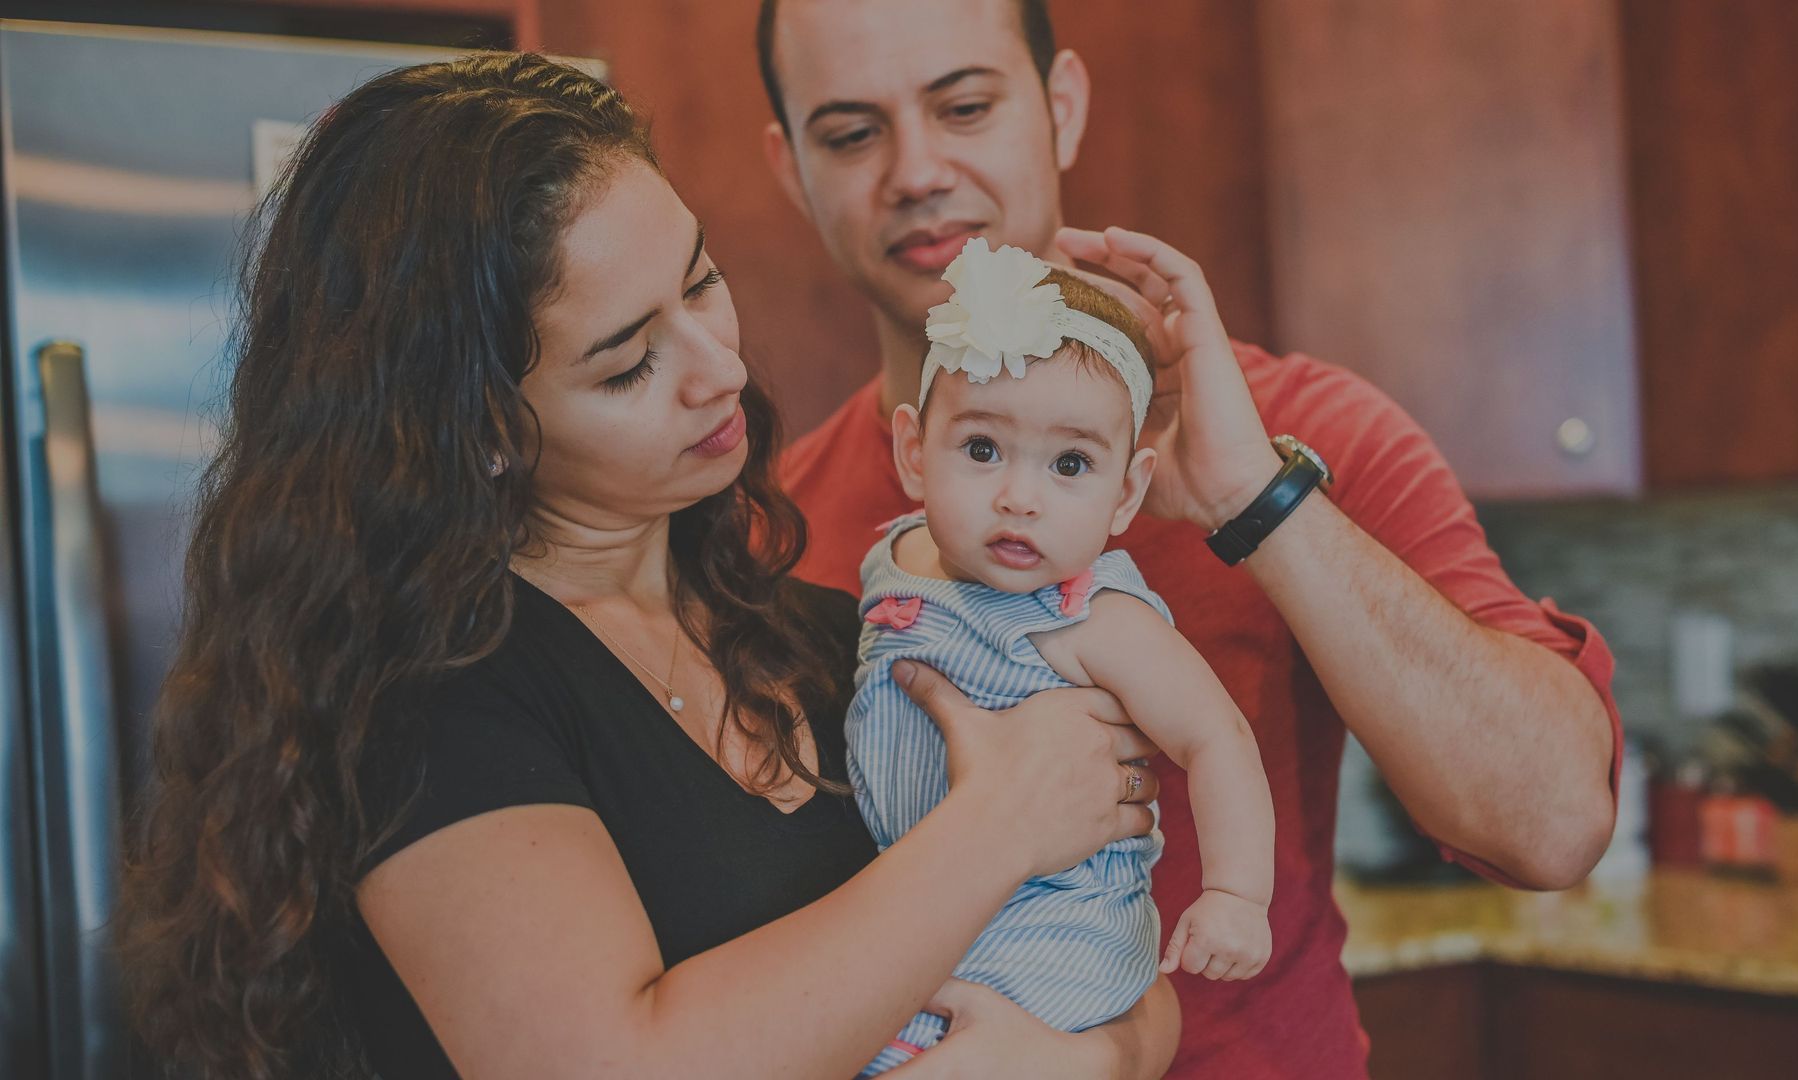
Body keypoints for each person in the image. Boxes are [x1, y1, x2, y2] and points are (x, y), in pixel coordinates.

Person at [117, 53, 1181, 1080]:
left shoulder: (839, 633)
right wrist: (995, 824)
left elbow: (1114, 940)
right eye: (629, 363)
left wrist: (1089, 1057)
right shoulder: (424, 707)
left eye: (702, 281)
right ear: (482, 429)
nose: (719, 367)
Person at [756, 1, 1624, 1074]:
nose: (917, 169)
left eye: (966, 105)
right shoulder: (765, 530)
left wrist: (1251, 497)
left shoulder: (1315, 439)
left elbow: (1551, 824)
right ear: (792, 170)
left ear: (1062, 108)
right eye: (850, 133)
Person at [849, 240, 1275, 1074]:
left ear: (1126, 492)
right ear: (912, 450)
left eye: (1070, 464)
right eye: (980, 449)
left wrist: (1236, 895)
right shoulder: (893, 559)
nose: (1020, 495)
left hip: (1056, 931)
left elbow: (1216, 735)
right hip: (929, 913)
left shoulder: (1093, 618)